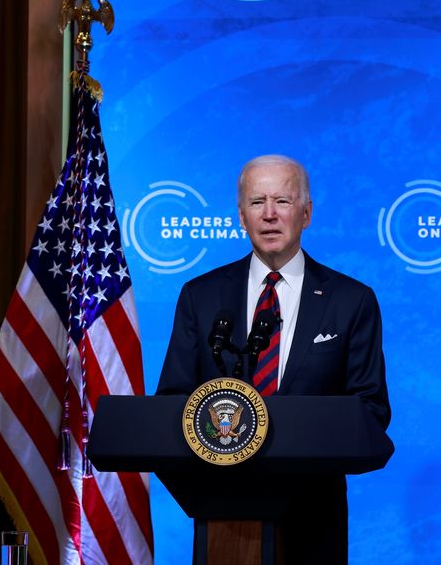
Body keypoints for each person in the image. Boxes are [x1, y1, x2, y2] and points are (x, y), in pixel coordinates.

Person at [156, 154, 391, 563]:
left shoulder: (351, 300)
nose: (269, 215)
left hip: (314, 517)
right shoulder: (200, 296)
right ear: (241, 216)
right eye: (256, 202)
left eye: (282, 201)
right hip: (222, 513)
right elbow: (174, 399)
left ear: (307, 213)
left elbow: (370, 408)